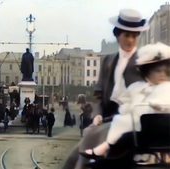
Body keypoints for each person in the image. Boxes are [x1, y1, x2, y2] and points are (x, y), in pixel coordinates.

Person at [62, 9, 148, 169]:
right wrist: (97, 115)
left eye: (134, 36)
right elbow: (99, 94)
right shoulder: (108, 61)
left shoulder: (143, 63)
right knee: (77, 155)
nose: (130, 40)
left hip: (132, 120)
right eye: (126, 35)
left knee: (92, 146)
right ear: (117, 35)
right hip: (107, 117)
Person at [81, 42, 170, 158]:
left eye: (166, 71)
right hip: (142, 129)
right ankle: (105, 150)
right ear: (147, 73)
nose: (162, 74)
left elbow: (162, 104)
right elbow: (127, 105)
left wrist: (158, 106)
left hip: (163, 129)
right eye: (157, 71)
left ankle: (104, 150)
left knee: (124, 136)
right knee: (121, 123)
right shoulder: (139, 87)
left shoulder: (166, 88)